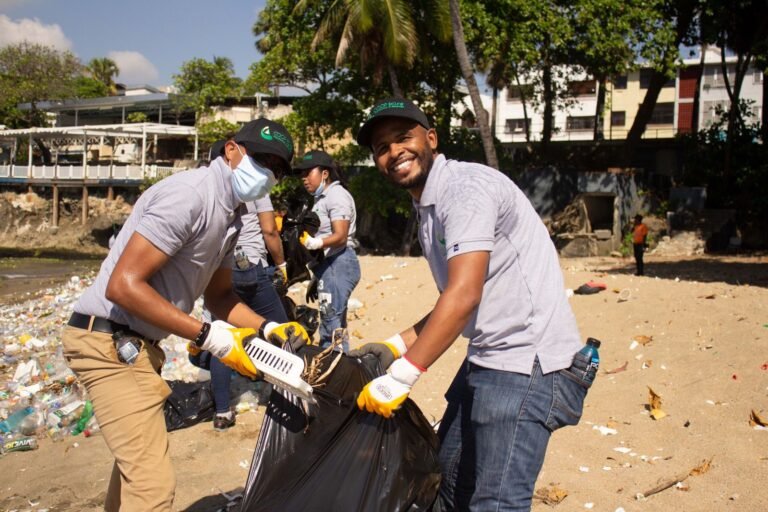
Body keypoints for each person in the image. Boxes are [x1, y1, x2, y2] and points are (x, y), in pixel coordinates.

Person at [350, 98, 590, 511]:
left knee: (495, 503)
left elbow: (463, 296)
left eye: (403, 138)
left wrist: (402, 376)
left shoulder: (464, 189)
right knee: (447, 483)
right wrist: (395, 344)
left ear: (431, 138)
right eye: (382, 148)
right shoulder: (427, 207)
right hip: (487, 357)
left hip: (527, 363)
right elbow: (458, 297)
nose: (394, 153)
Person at [60, 118, 311, 511]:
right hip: (108, 343)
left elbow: (220, 296)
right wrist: (208, 336)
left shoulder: (233, 216)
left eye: (277, 170)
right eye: (261, 160)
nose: (268, 173)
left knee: (132, 482)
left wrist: (270, 326)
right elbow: (123, 285)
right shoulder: (190, 195)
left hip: (139, 346)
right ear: (231, 150)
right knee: (152, 490)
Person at [188, 140, 290, 430]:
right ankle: (288, 399)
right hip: (250, 270)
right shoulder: (255, 187)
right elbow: (270, 230)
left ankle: (222, 412)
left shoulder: (207, 193)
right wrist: (281, 265)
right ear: (230, 153)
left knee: (225, 336)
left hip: (219, 273)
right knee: (281, 331)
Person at [294, 150, 360, 353]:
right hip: (329, 265)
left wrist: (315, 243)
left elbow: (340, 235)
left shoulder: (336, 195)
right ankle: (339, 365)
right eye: (301, 174)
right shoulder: (321, 198)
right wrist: (317, 276)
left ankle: (335, 369)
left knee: (330, 321)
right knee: (333, 320)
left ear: (324, 174)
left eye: (308, 173)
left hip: (339, 262)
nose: (304, 179)